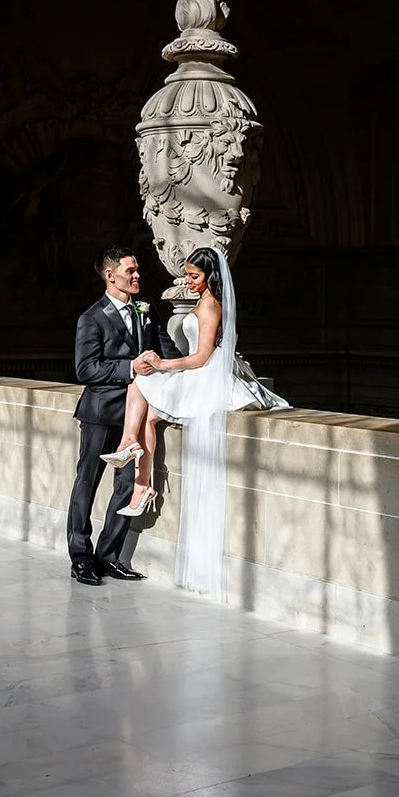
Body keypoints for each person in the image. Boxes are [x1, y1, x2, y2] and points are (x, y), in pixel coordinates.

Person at [100, 246, 289, 597]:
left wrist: (163, 365)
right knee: (148, 410)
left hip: (205, 374)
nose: (187, 281)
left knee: (142, 385)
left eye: (193, 276)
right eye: (187, 275)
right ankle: (140, 478)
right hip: (196, 372)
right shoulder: (203, 299)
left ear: (210, 276)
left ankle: (134, 464)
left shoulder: (211, 304)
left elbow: (202, 356)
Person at [67, 246, 181, 586]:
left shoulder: (147, 310)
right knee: (87, 482)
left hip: (139, 416)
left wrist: (184, 371)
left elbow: (168, 352)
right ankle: (81, 558)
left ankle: (108, 557)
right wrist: (130, 367)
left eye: (137, 269)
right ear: (110, 275)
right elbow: (86, 369)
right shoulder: (91, 318)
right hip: (102, 413)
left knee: (128, 485)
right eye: (130, 270)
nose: (137, 275)